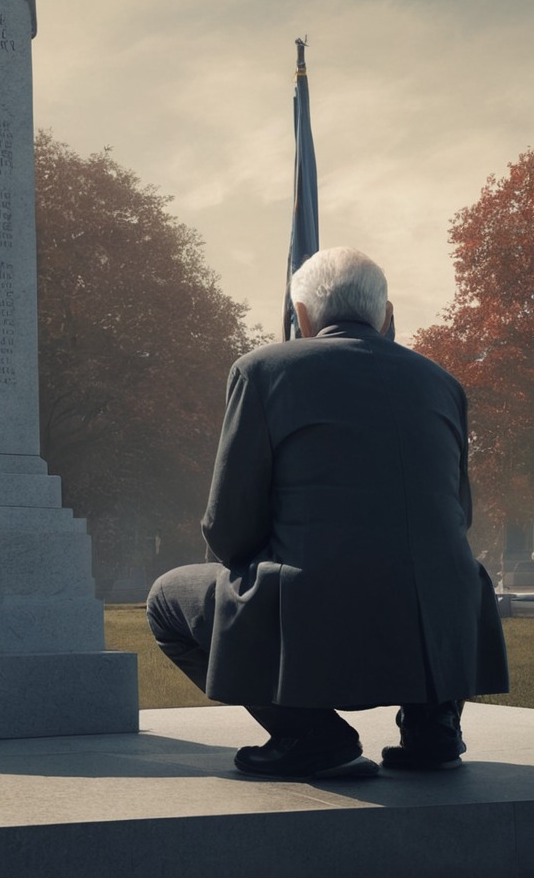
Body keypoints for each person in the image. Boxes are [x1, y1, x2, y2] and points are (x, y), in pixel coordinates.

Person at [147, 247, 509, 779]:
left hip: (317, 609)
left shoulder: (262, 371)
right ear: (386, 316)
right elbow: (459, 514)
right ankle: (434, 727)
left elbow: (230, 525)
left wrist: (250, 581)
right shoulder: (443, 384)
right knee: (446, 569)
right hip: (439, 614)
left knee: (165, 599)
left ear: (302, 316)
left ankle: (310, 733)